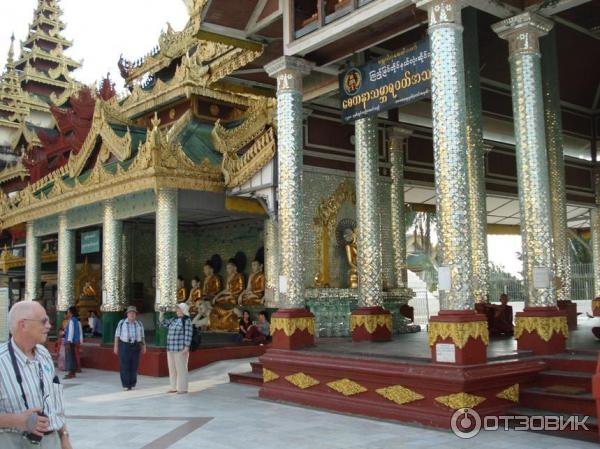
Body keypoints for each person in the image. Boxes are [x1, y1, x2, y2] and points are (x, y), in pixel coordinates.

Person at [0, 301, 73, 449]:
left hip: (51, 442)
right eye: (43, 321)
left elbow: (55, 402)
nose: (49, 326)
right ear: (23, 325)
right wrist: (16, 420)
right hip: (13, 442)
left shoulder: (44, 354)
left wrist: (64, 436)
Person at [159, 303, 193, 394]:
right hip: (170, 348)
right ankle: (173, 387)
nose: (176, 310)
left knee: (181, 369)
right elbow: (163, 323)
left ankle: (182, 388)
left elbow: (188, 334)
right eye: (177, 309)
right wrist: (161, 314)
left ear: (183, 310)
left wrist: (186, 347)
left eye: (178, 309)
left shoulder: (187, 320)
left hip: (180, 349)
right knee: (172, 369)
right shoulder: (174, 320)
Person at [114, 306, 146, 391]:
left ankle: (132, 383)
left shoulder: (139, 323)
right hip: (125, 345)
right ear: (127, 314)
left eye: (134, 313)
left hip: (136, 345)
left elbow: (142, 336)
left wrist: (144, 346)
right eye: (130, 313)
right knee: (124, 365)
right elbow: (117, 336)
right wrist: (116, 347)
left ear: (136, 314)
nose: (132, 314)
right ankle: (125, 384)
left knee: (134, 365)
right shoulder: (121, 323)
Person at [63, 307, 81, 379]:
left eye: (68, 312)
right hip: (74, 341)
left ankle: (71, 372)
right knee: (73, 356)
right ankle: (73, 372)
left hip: (70, 341)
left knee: (70, 357)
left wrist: (68, 341)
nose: (67, 314)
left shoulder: (71, 321)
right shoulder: (76, 320)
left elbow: (71, 332)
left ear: (71, 313)